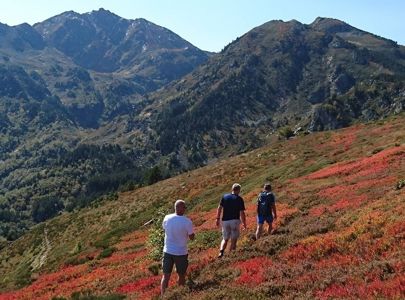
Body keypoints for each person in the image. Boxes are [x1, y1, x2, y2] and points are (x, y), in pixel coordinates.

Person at [161, 200, 195, 297]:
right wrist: (192, 234)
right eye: (184, 207)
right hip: (180, 252)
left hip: (167, 251)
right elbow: (191, 237)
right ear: (179, 208)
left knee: (166, 276)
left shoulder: (167, 218)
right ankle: (180, 295)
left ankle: (163, 296)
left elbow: (164, 228)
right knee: (181, 275)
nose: (185, 209)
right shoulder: (187, 221)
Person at [216, 183, 246, 258]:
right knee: (233, 239)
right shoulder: (239, 199)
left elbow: (219, 208)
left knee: (225, 239)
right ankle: (230, 255)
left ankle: (221, 252)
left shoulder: (225, 197)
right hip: (235, 221)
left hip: (225, 221)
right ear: (238, 190)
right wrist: (244, 223)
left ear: (232, 189)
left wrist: (217, 218)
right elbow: (242, 212)